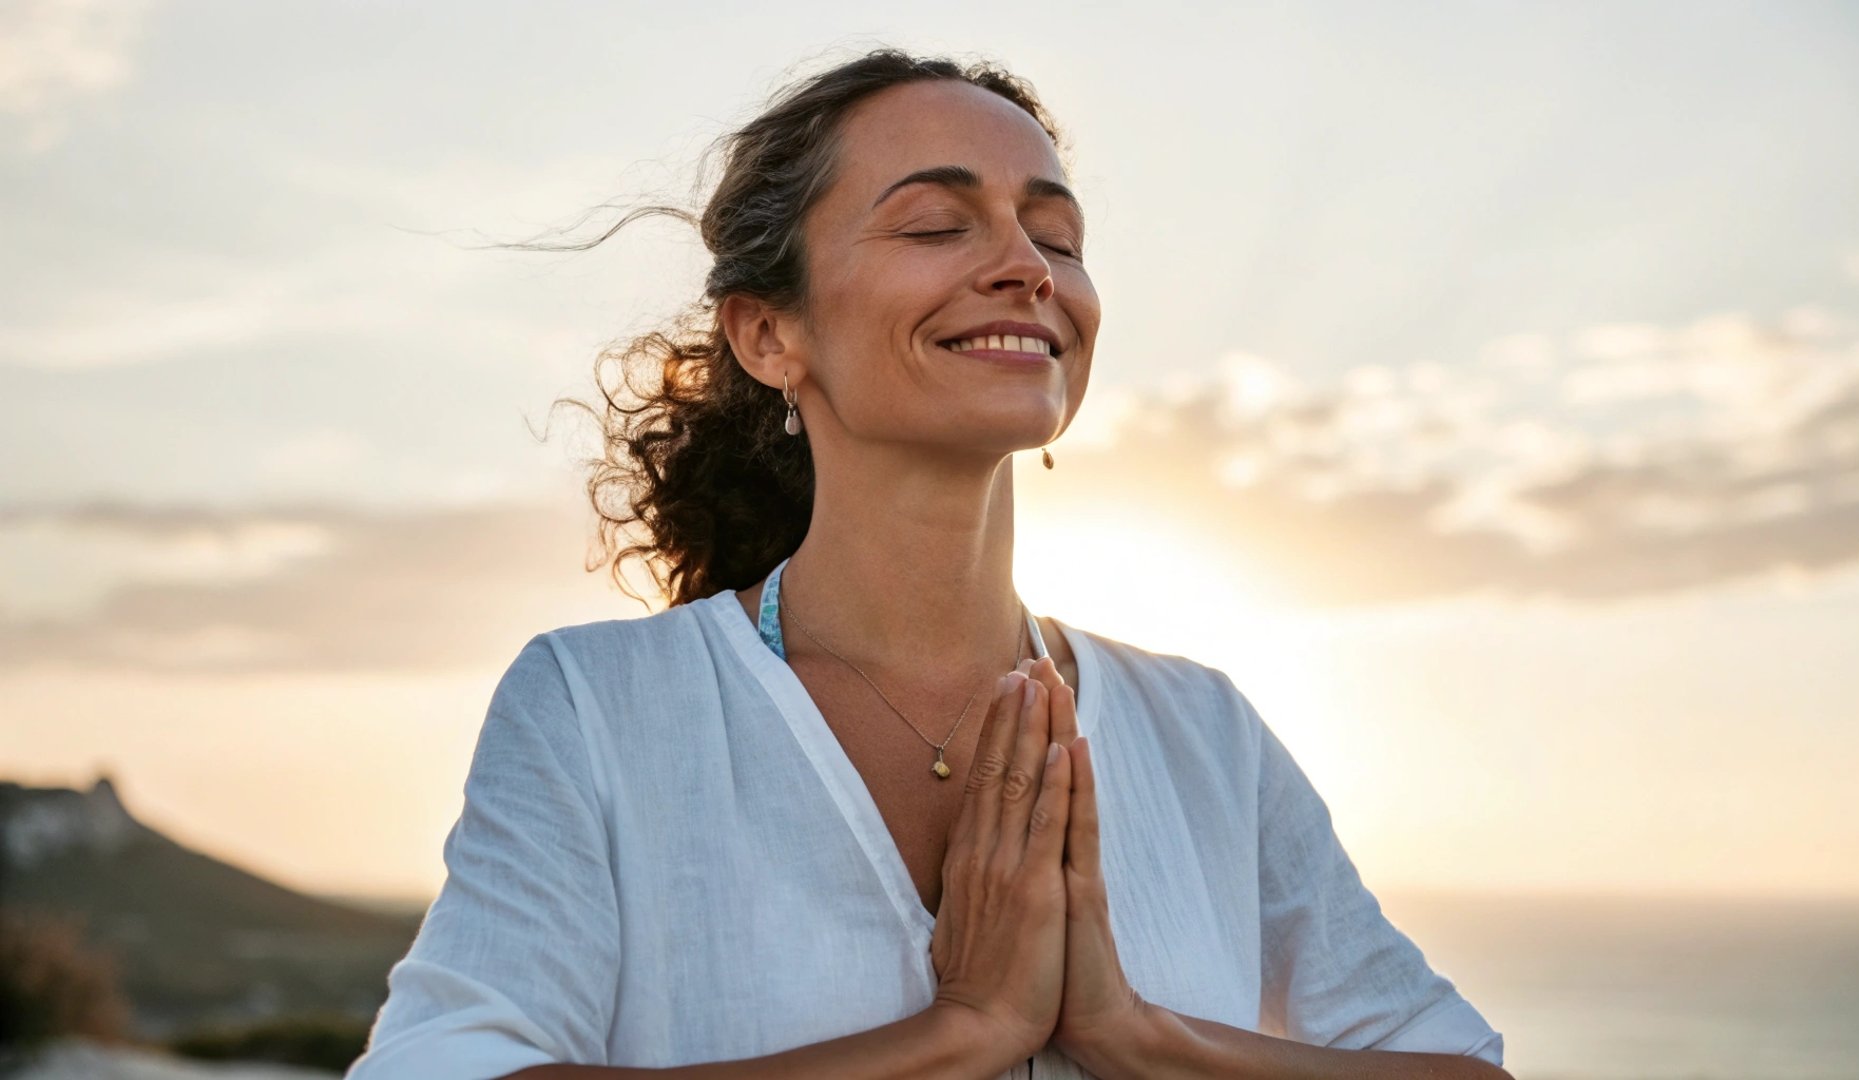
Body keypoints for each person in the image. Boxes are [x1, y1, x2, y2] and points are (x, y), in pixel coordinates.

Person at [343, 47, 1508, 1080]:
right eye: (939, 225)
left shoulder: (1205, 734)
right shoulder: (600, 711)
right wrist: (957, 1035)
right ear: (769, 334)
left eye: (1057, 236)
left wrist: (1139, 1038)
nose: (1027, 268)